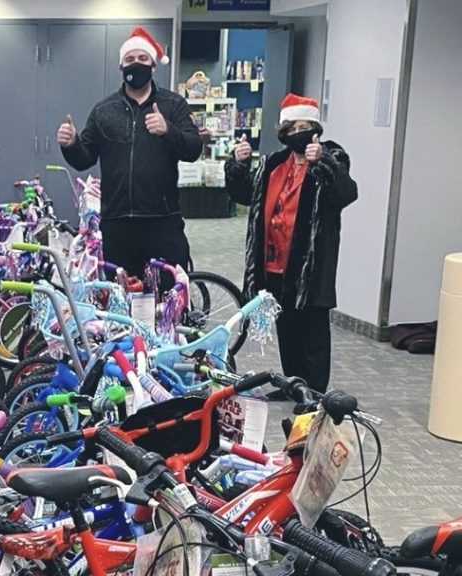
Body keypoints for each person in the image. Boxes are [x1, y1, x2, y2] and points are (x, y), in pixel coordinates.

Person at [225, 93, 358, 394]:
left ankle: (315, 391)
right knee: (287, 328)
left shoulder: (332, 156)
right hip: (274, 261)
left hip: (311, 265)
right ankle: (294, 384)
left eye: (305, 125)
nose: (299, 132)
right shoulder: (274, 163)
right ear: (283, 131)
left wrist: (321, 162)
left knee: (312, 329)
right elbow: (247, 196)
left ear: (316, 128)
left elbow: (346, 194)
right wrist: (238, 164)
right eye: (293, 126)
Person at [57, 26, 202, 279]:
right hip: (117, 222)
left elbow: (193, 149)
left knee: (170, 294)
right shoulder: (104, 111)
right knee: (121, 298)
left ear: (153, 66)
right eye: (130, 60)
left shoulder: (173, 105)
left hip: (162, 219)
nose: (136, 65)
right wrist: (70, 144)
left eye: (143, 59)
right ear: (121, 67)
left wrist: (168, 130)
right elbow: (84, 159)